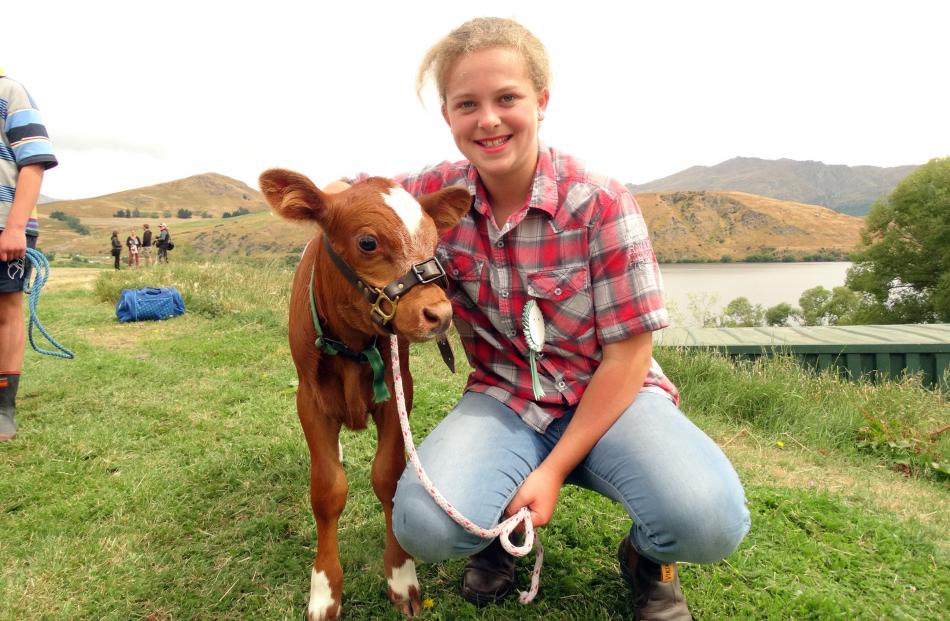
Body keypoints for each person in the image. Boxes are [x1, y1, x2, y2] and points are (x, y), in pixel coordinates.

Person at [330, 18, 749, 619]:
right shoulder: (430, 196)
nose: (488, 120)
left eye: (507, 98)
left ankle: (647, 559)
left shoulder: (601, 201)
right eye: (466, 104)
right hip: (504, 398)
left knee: (709, 520)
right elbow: (356, 197)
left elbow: (628, 356)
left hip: (612, 398)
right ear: (447, 115)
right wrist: (327, 201)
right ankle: (501, 534)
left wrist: (552, 470)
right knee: (423, 523)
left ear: (541, 102)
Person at [0, 69, 58, 442]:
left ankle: (4, 406)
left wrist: (16, 226)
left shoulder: (9, 90)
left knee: (6, 308)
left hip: (5, 224)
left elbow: (34, 162)